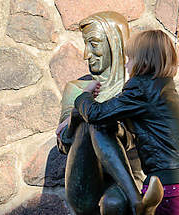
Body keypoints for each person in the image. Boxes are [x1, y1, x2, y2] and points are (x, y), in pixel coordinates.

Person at [74, 30, 179, 215]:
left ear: (143, 61)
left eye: (130, 58)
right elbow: (118, 110)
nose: (126, 64)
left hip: (166, 181)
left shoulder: (140, 87)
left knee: (98, 126)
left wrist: (83, 96)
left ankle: (136, 201)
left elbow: (96, 115)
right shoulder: (161, 85)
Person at [56, 12, 159, 215]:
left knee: (114, 203)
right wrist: (79, 111)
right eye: (86, 45)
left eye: (94, 44)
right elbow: (64, 143)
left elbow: (147, 139)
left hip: (129, 176)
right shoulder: (77, 89)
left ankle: (134, 199)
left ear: (115, 43)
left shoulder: (134, 88)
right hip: (85, 182)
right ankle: (136, 201)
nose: (86, 53)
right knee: (90, 120)